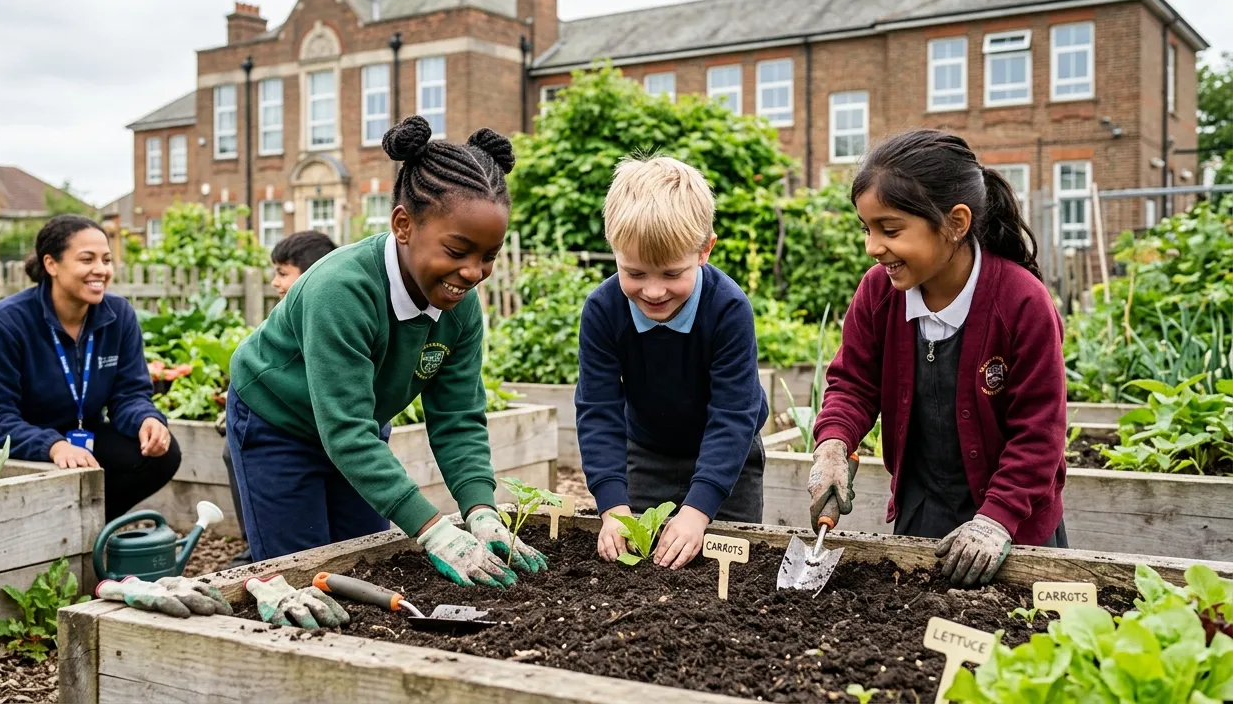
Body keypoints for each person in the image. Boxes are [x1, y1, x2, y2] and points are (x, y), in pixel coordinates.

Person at [223, 115, 546, 587]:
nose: (474, 272)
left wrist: (480, 511)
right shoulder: (341, 290)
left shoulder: (460, 306)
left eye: (488, 256)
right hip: (278, 423)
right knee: (298, 574)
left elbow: (458, 416)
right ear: (402, 225)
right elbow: (346, 429)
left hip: (358, 432)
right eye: (458, 251)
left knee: (368, 567)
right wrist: (434, 530)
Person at [807, 128, 1068, 588]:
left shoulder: (1022, 302)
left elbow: (1039, 433)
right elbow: (854, 384)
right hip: (921, 514)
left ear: (956, 222)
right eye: (867, 229)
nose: (872, 246)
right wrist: (833, 444)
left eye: (889, 230)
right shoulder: (879, 293)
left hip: (1014, 532)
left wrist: (997, 519)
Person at [575, 155, 768, 571]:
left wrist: (699, 511)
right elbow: (598, 410)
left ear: (705, 250)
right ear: (614, 252)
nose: (654, 290)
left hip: (729, 458)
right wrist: (613, 507)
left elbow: (734, 413)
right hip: (647, 452)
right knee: (647, 564)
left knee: (732, 572)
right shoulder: (603, 311)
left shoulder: (728, 309)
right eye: (635, 273)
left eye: (671, 273)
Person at [0, 215, 181, 521]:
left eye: (106, 259)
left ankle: (88, 530)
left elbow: (129, 394)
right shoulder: (6, 323)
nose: (100, 269)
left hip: (76, 435)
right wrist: (53, 446)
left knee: (161, 456)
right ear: (51, 264)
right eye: (87, 259)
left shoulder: (118, 315)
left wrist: (146, 420)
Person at [221, 229, 341, 569]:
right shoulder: (285, 321)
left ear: (314, 272)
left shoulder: (334, 312)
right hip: (281, 432)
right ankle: (258, 547)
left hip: (330, 435)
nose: (274, 282)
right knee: (297, 564)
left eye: (283, 273)